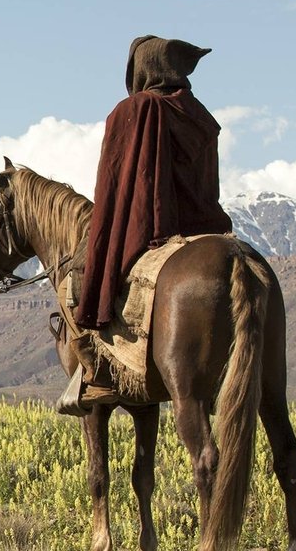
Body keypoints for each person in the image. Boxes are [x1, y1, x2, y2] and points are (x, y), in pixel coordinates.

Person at [63, 35, 234, 415]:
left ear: (143, 69)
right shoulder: (202, 115)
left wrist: (108, 232)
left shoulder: (135, 109)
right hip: (206, 227)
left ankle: (97, 369)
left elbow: (117, 182)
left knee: (84, 275)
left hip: (152, 225)